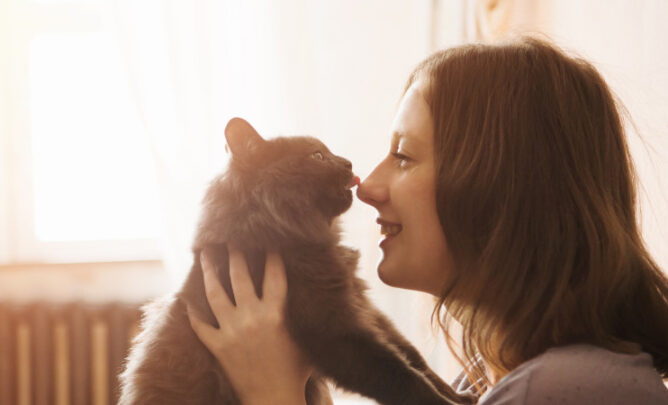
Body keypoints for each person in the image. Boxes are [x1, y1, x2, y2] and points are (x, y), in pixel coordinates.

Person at [187, 37, 668, 404]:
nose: (366, 185)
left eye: (402, 156)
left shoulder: (558, 391)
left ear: (498, 186)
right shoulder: (488, 379)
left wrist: (272, 394)